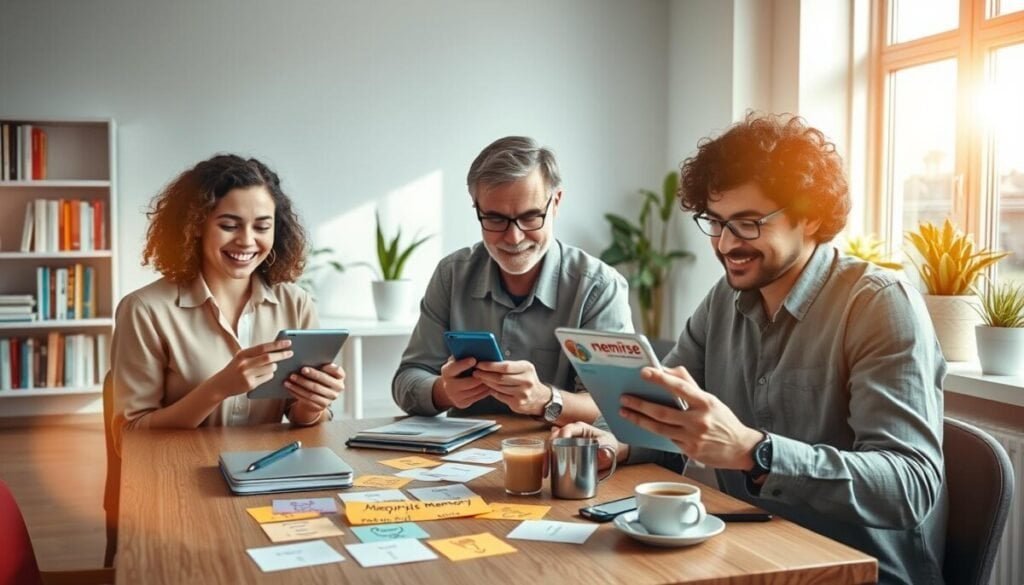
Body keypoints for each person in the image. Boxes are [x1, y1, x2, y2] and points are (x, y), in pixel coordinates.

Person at [554, 114, 947, 585]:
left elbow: (909, 484)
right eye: (715, 223)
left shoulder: (878, 305)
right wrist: (611, 441)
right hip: (749, 551)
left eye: (747, 223)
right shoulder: (725, 299)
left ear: (812, 217)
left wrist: (754, 452)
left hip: (855, 569)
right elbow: (667, 407)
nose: (724, 244)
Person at [111, 154, 345, 450]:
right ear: (196, 225)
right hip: (178, 478)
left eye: (261, 227)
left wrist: (313, 403)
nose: (247, 241)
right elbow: (129, 436)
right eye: (229, 225)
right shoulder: (144, 310)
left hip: (263, 475)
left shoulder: (296, 304)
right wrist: (218, 389)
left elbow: (300, 417)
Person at [392, 136, 632, 424]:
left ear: (555, 203)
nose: (514, 237)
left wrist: (545, 399)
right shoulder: (452, 274)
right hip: (460, 457)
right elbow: (407, 378)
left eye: (531, 217)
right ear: (476, 208)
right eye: (495, 219)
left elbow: (617, 407)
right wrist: (444, 391)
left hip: (555, 457)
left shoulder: (598, 287)